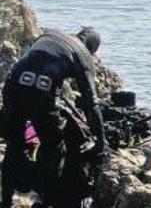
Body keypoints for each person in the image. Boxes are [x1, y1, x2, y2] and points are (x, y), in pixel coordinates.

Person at [1, 27, 106, 208]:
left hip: (13, 85)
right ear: (92, 49)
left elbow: (35, 61)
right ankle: (47, 202)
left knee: (14, 144)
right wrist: (100, 143)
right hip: (41, 91)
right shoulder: (82, 54)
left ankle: (5, 201)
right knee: (54, 147)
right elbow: (92, 105)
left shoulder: (50, 34)